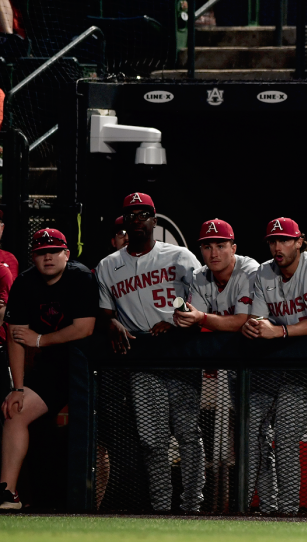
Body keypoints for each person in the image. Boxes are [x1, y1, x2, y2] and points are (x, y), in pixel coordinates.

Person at [95, 192, 203, 512]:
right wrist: (111, 322)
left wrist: (173, 319)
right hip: (141, 357)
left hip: (179, 353)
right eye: (131, 215)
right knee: (152, 442)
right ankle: (160, 508)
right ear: (125, 222)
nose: (137, 220)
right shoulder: (108, 266)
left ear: (155, 220)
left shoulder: (180, 256)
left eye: (143, 214)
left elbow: (200, 300)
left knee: (187, 436)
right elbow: (103, 311)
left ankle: (192, 507)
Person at [242, 217, 307, 515]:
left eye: (285, 240)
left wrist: (280, 331)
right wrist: (254, 326)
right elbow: (260, 319)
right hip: (296, 367)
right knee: (284, 438)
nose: (277, 246)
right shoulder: (263, 272)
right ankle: (287, 511)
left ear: (299, 241)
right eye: (273, 241)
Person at [0, 229, 98, 511]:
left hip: (91, 366)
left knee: (101, 433)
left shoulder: (81, 277)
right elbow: (15, 337)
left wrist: (41, 340)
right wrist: (17, 389)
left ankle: (98, 506)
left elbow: (85, 328)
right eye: (42, 252)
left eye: (54, 251)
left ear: (67, 254)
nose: (48, 257)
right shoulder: (24, 282)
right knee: (14, 412)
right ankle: (7, 494)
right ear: (33, 257)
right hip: (54, 366)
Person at [174, 219, 259, 332]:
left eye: (220, 246)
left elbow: (243, 322)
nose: (214, 254)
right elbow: (196, 324)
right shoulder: (199, 277)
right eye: (207, 247)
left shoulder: (250, 272)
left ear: (233, 249)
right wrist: (186, 319)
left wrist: (202, 318)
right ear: (201, 250)